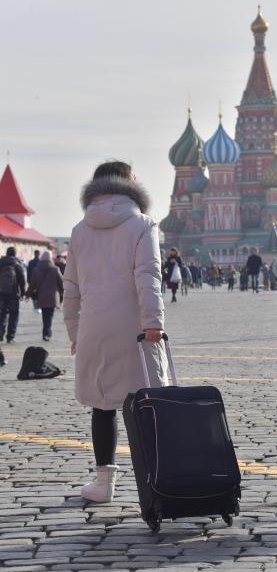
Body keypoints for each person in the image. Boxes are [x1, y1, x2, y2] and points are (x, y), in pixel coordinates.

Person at [63, 160, 168, 503]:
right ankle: (157, 479)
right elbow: (148, 275)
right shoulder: (142, 224)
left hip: (94, 326)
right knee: (145, 400)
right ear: (128, 185)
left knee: (102, 404)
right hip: (135, 326)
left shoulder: (79, 230)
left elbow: (71, 289)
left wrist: (74, 330)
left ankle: (103, 484)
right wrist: (153, 321)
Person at [27, 251, 64, 340]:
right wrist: (63, 293)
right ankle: (47, 333)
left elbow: (32, 284)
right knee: (50, 315)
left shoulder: (36, 270)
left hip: (41, 296)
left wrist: (28, 294)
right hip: (52, 297)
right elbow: (61, 283)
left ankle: (46, 332)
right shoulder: (55, 269)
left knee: (45, 315)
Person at [0, 247, 26, 343]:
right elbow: (22, 280)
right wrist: (23, 293)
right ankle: (10, 337)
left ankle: (0, 332)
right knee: (14, 315)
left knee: (2, 313)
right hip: (14, 294)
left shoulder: (0, 263)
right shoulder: (17, 264)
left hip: (1, 293)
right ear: (14, 254)